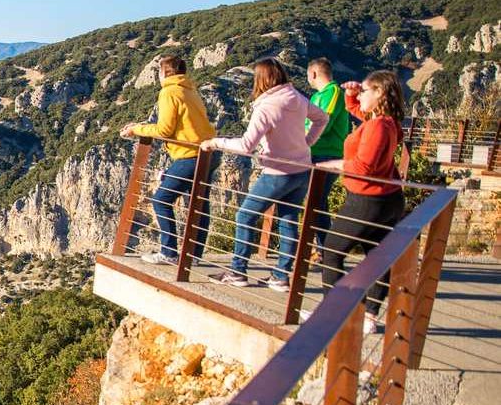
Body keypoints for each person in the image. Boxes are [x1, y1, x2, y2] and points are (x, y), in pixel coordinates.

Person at [201, 58, 329, 288]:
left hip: (277, 172)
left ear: (260, 79)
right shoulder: (297, 98)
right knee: (288, 220)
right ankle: (281, 276)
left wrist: (215, 142)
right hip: (302, 170)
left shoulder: (267, 106)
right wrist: (306, 143)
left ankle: (238, 271)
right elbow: (322, 118)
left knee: (245, 215)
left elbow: (246, 146)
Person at [309, 71, 409, 333]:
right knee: (375, 256)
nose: (360, 94)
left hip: (367, 198)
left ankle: (336, 311)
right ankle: (369, 315)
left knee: (332, 250)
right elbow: (356, 110)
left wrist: (334, 164)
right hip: (387, 198)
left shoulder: (379, 126)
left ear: (380, 93)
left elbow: (365, 167)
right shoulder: (385, 122)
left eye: (365, 90)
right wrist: (352, 95)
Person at [121, 54, 216, 265]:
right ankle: (194, 256)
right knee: (198, 204)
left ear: (164, 73)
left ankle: (169, 252)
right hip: (209, 152)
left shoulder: (169, 92)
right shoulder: (189, 89)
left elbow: (164, 129)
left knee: (161, 200)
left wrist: (136, 129)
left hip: (190, 155)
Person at [305, 57, 350, 238]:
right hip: (313, 153)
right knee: (316, 201)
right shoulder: (316, 96)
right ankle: (321, 247)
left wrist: (302, 140)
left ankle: (325, 249)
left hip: (327, 154)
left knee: (317, 201)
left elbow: (325, 121)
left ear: (314, 73)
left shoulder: (333, 92)